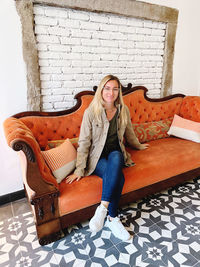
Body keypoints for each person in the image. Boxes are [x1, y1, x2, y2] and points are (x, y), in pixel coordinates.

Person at [66, 75, 149, 240]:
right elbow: (84, 142)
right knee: (119, 178)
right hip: (96, 159)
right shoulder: (91, 112)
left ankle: (103, 210)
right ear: (102, 90)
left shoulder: (122, 110)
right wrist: (79, 169)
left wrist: (138, 145)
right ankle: (112, 218)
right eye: (107, 88)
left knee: (118, 156)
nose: (111, 92)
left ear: (119, 92)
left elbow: (129, 132)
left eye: (115, 89)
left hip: (115, 155)